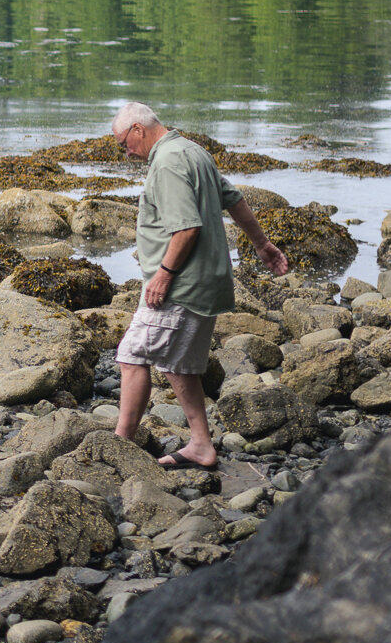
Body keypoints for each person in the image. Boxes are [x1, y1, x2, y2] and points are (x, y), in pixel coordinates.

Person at [108, 101, 290, 471]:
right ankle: (201, 445)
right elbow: (234, 199)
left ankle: (117, 449)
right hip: (208, 280)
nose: (125, 152)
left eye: (123, 142)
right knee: (180, 365)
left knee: (132, 355)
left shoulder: (168, 162)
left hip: (180, 285)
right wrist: (262, 244)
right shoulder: (193, 151)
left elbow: (187, 227)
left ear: (139, 129)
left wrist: (163, 274)